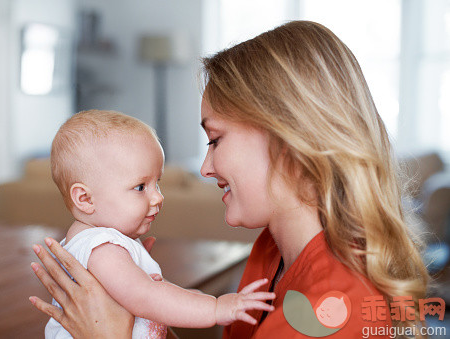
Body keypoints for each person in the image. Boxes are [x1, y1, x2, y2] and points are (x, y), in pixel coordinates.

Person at [29, 21, 429, 338]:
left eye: (216, 139)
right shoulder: (271, 250)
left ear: (288, 138)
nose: (205, 168)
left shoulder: (332, 310)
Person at [41, 109, 276, 339]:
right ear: (85, 199)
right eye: (141, 187)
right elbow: (146, 297)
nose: (158, 197)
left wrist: (194, 299)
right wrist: (215, 308)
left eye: (158, 183)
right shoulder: (102, 248)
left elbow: (158, 295)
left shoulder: (99, 243)